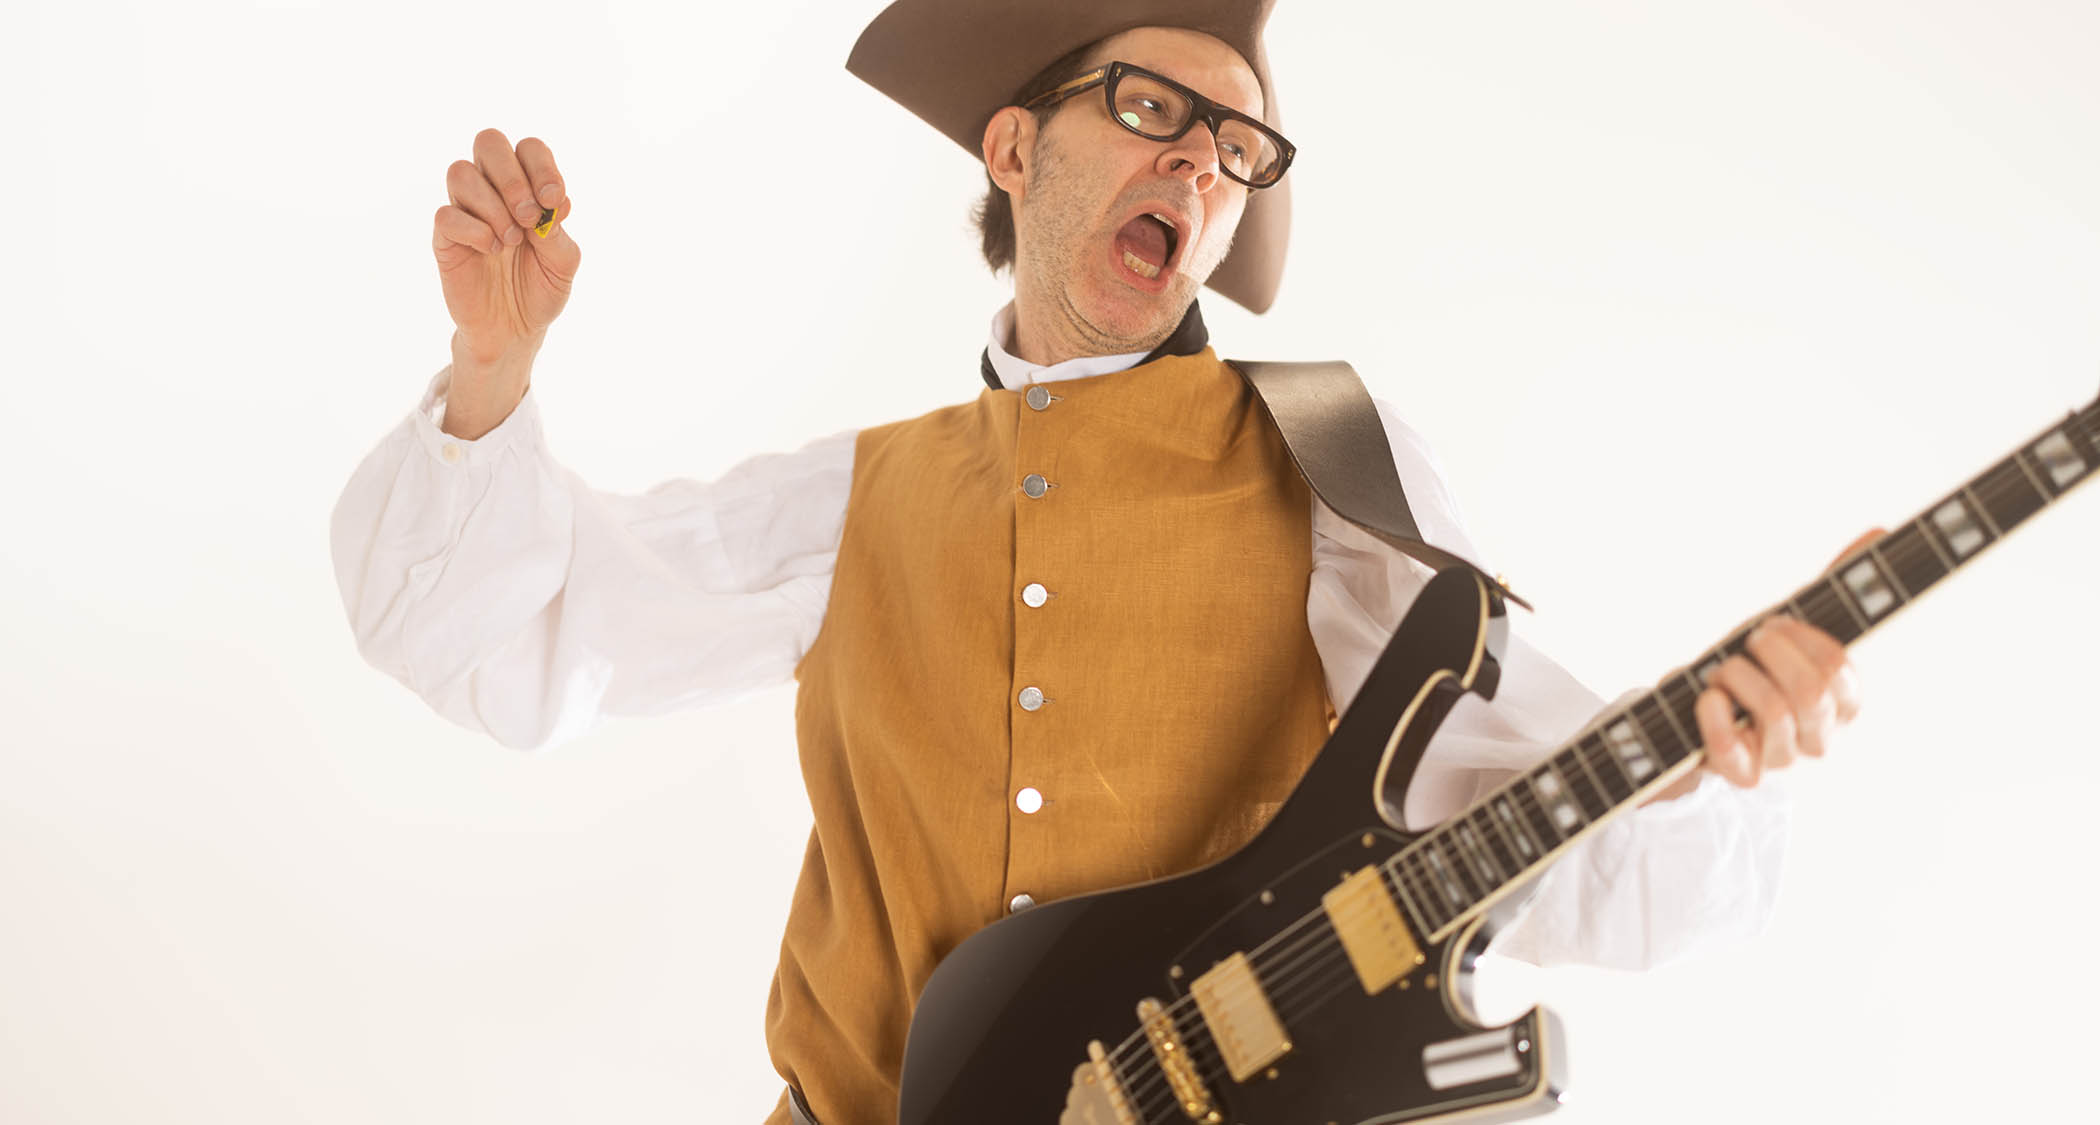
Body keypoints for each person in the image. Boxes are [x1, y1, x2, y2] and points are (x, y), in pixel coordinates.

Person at [330, 3, 1874, 1122]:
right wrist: (491, 361)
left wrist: (1720, 751)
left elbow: (1533, 821)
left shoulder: (1328, 464)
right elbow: (505, 640)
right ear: (1017, 145)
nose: (1202, 167)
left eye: (1236, 149)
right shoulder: (851, 500)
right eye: (1154, 111)